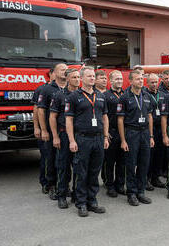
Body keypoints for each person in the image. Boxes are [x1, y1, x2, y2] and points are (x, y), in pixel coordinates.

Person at [65, 66, 109, 217]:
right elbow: (69, 120)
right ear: (82, 78)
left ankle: (92, 201)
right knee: (81, 172)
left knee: (94, 171)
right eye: (89, 76)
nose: (92, 78)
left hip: (98, 138)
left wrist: (105, 136)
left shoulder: (101, 96)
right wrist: (71, 140)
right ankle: (81, 203)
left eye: (93, 76)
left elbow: (104, 117)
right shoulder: (73, 96)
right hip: (82, 138)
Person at [117, 70, 155, 206]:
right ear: (131, 81)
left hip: (144, 132)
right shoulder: (124, 97)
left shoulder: (147, 95)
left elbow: (150, 116)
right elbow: (120, 120)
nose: (141, 81)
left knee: (144, 163)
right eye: (138, 79)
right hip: (131, 133)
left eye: (142, 79)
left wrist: (151, 136)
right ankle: (131, 193)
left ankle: (141, 191)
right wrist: (123, 140)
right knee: (131, 164)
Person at [49, 68, 80, 208]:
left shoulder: (82, 95)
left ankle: (76, 194)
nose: (77, 80)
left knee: (79, 167)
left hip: (80, 135)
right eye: (74, 77)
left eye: (78, 77)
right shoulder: (59, 95)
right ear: (67, 79)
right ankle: (62, 194)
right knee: (63, 166)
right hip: (64, 135)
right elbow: (52, 117)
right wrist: (55, 136)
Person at [37, 63, 68, 200]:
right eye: (62, 70)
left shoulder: (71, 89)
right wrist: (42, 129)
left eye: (66, 70)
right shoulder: (46, 89)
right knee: (50, 158)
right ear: (54, 73)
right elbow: (41, 110)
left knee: (63, 161)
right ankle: (50, 184)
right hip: (50, 130)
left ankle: (63, 185)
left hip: (65, 131)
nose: (64, 72)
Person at [102, 70, 126, 197]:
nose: (119, 81)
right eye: (117, 79)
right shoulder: (105, 95)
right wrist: (105, 132)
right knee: (110, 161)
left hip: (123, 132)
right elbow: (102, 115)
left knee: (122, 161)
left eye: (121, 79)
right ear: (110, 81)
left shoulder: (126, 94)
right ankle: (109, 185)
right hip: (111, 132)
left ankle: (120, 184)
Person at [146, 73, 166, 189]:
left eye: (156, 82)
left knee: (160, 153)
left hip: (160, 127)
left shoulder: (162, 95)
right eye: (152, 82)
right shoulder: (145, 95)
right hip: (150, 128)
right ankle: (146, 178)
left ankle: (156, 177)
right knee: (150, 155)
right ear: (147, 83)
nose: (154, 84)